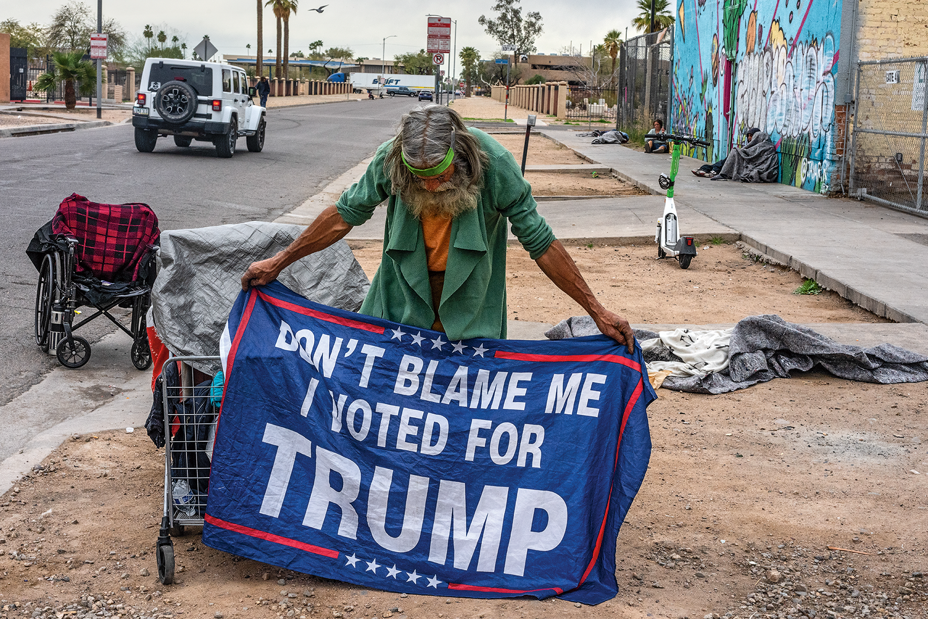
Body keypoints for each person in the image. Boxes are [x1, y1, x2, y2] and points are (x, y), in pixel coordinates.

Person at [241, 105, 635, 352]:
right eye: (419, 178)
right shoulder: (390, 161)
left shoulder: (494, 163)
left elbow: (541, 243)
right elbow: (344, 214)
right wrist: (279, 261)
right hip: (398, 308)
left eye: (439, 175)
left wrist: (597, 310)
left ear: (461, 154)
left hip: (471, 315)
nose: (430, 186)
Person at [709, 127, 779, 182]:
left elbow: (750, 153)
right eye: (748, 136)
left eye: (751, 136)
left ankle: (723, 174)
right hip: (752, 165)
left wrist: (738, 151)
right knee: (725, 160)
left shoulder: (764, 146)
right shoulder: (765, 146)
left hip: (757, 168)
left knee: (734, 151)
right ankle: (716, 171)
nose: (749, 138)